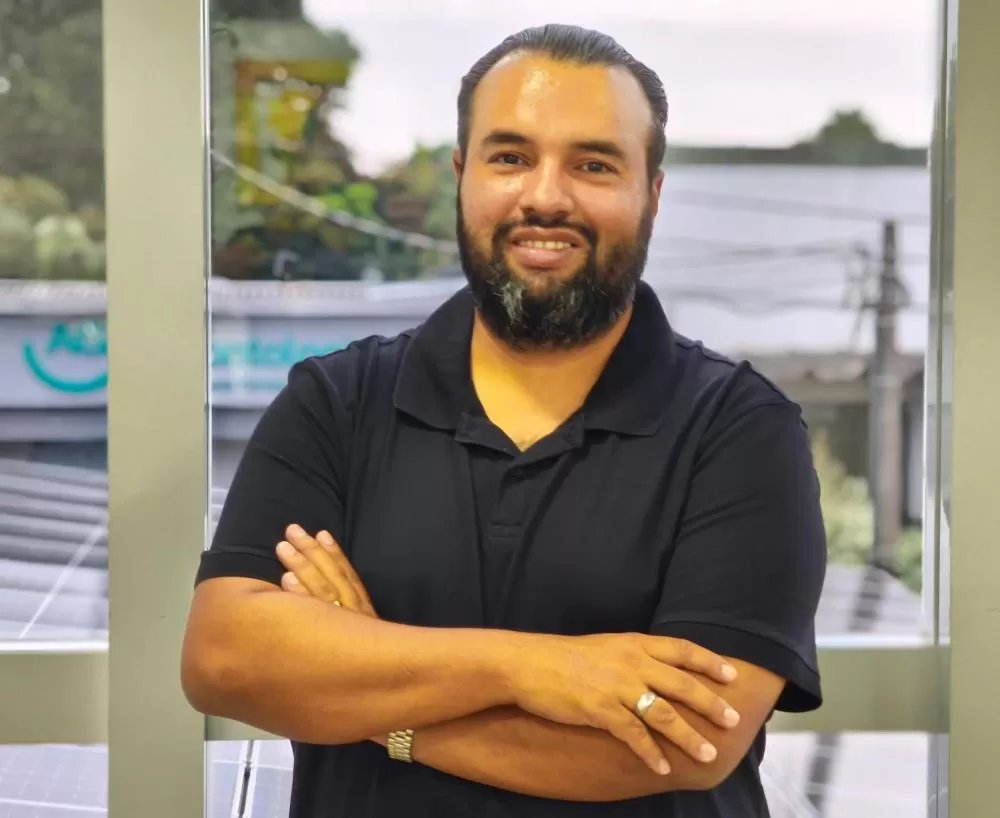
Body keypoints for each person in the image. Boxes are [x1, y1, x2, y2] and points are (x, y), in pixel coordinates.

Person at [181, 23, 827, 818]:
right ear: (463, 177)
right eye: (511, 157)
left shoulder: (741, 433)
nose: (546, 196)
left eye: (594, 164)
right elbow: (224, 660)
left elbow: (686, 741)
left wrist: (371, 700)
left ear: (651, 197)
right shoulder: (336, 403)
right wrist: (538, 669)